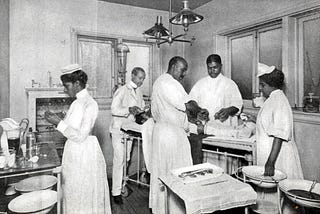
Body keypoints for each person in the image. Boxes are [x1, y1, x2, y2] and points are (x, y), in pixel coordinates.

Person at [44, 64, 111, 214]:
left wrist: (58, 123)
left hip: (85, 153)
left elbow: (81, 136)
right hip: (73, 152)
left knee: (83, 193)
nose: (65, 89)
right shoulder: (75, 103)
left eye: (66, 85)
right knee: (71, 191)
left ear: (77, 84)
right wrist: (59, 120)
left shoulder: (90, 104)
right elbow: (71, 127)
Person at [252, 63, 303, 214]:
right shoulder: (272, 99)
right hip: (271, 154)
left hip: (278, 157)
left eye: (262, 85)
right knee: (272, 199)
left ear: (270, 85)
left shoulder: (279, 101)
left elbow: (279, 136)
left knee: (283, 201)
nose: (260, 89)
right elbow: (270, 124)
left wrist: (270, 162)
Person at [150, 56, 194, 214]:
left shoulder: (159, 81)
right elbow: (187, 104)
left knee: (163, 171)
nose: (184, 74)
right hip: (171, 135)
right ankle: (176, 210)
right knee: (177, 171)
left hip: (162, 131)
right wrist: (200, 110)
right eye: (182, 70)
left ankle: (162, 209)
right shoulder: (170, 83)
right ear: (174, 66)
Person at [188, 54, 243, 164]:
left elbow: (237, 105)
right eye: (209, 68)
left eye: (215, 67)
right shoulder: (200, 83)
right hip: (206, 127)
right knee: (207, 158)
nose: (212, 70)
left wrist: (228, 111)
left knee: (223, 159)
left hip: (223, 127)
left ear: (221, 66)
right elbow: (191, 102)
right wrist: (199, 110)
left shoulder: (229, 84)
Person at [109, 67, 146, 204]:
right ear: (132, 76)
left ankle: (123, 185)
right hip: (118, 129)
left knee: (127, 158)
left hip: (130, 129)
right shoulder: (122, 90)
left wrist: (143, 112)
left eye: (143, 78)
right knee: (119, 159)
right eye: (139, 78)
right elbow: (114, 109)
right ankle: (116, 192)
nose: (141, 81)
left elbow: (140, 107)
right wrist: (128, 110)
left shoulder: (139, 92)